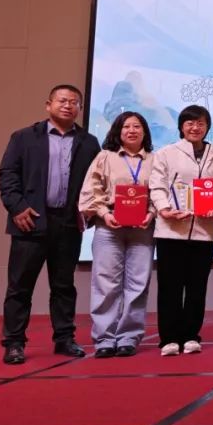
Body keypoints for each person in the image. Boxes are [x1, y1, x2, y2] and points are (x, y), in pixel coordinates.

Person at [0, 84, 100, 364]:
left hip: (68, 224)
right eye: (62, 101)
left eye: (74, 102)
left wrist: (90, 211)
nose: (68, 106)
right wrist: (17, 207)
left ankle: (64, 339)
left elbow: (95, 183)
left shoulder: (89, 143)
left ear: (80, 108)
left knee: (64, 286)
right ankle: (14, 342)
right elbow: (7, 175)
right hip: (30, 221)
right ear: (48, 105)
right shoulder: (23, 138)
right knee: (20, 287)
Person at [149, 105, 213, 357]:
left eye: (201, 123)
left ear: (207, 127)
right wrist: (164, 209)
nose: (195, 128)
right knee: (170, 286)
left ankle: (192, 335)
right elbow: (157, 185)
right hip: (171, 229)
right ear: (181, 126)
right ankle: (169, 338)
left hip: (204, 230)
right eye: (190, 123)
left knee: (197, 286)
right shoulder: (166, 153)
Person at [78, 111, 156, 358]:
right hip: (109, 226)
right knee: (106, 283)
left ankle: (128, 337)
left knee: (138, 284)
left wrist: (152, 213)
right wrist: (103, 213)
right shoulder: (105, 157)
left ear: (145, 131)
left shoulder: (155, 160)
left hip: (142, 229)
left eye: (137, 126)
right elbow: (91, 190)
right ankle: (104, 338)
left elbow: (161, 192)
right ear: (118, 132)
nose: (132, 131)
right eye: (126, 127)